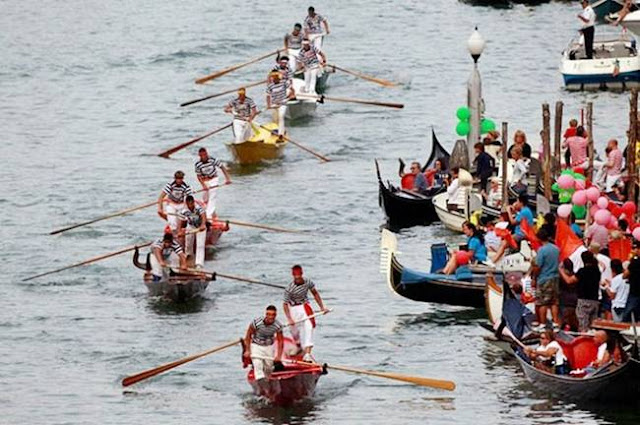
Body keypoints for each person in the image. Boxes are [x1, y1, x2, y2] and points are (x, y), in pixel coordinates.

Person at [282, 265, 327, 362]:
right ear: (293, 276)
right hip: (293, 309)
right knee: (294, 330)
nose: (297, 278)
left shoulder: (308, 282)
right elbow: (285, 304)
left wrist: (322, 307)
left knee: (309, 327)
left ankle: (307, 354)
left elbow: (315, 293)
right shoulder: (289, 288)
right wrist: (289, 318)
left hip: (305, 307)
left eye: (299, 276)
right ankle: (298, 346)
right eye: (295, 277)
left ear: (302, 274)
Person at [243, 305, 284, 387]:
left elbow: (280, 341)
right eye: (269, 314)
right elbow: (248, 336)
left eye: (273, 315)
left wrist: (278, 356)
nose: (271, 317)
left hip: (268, 347)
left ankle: (268, 383)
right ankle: (262, 386)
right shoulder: (256, 323)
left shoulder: (278, 325)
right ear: (266, 314)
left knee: (268, 368)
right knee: (258, 365)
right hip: (256, 346)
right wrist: (247, 350)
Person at [560, 251, 601, 332]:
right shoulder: (597, 271)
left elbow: (569, 281)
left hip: (584, 300)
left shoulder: (582, 271)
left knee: (583, 325)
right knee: (592, 326)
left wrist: (561, 271)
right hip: (595, 300)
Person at [491, 194, 534, 263]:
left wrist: (509, 211)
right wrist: (514, 211)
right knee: (504, 243)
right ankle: (499, 259)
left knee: (504, 242)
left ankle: (494, 261)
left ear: (521, 202)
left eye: (517, 201)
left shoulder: (524, 211)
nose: (516, 203)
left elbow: (513, 222)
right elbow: (518, 217)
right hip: (521, 232)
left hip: (522, 233)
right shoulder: (525, 211)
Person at [532, 228, 561, 327]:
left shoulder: (541, 250)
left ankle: (542, 323)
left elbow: (537, 266)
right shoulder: (556, 249)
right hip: (555, 278)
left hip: (544, 278)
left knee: (542, 302)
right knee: (554, 302)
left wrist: (534, 278)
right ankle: (556, 322)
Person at [195, 147, 231, 220]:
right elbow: (198, 176)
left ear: (207, 154)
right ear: (199, 155)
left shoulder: (213, 160)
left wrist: (227, 179)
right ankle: (213, 214)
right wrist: (204, 185)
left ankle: (208, 216)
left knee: (212, 196)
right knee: (205, 199)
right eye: (201, 156)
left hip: (214, 179)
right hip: (205, 181)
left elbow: (222, 167)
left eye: (205, 155)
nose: (203, 157)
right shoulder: (198, 164)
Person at [178, 195, 207, 269]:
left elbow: (203, 216)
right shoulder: (184, 211)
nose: (190, 206)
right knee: (188, 244)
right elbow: (181, 222)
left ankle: (199, 264)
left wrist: (203, 225)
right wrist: (180, 231)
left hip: (200, 227)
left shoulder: (198, 208)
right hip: (190, 226)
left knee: (200, 245)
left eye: (191, 204)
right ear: (187, 204)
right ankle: (188, 258)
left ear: (193, 202)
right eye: (189, 204)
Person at [266, 71, 295, 138]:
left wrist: (291, 96)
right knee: (275, 119)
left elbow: (292, 89)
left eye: (276, 78)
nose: (275, 80)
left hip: (283, 103)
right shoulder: (270, 86)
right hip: (274, 104)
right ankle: (276, 130)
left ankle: (280, 133)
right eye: (274, 78)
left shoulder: (284, 83)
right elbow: (268, 96)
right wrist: (268, 105)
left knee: (281, 116)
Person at [559, 258, 579, 331]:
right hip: (574, 300)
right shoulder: (575, 275)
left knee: (563, 320)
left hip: (564, 301)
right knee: (573, 320)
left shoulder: (562, 276)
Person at [622, 240, 640, 321]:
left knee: (628, 313)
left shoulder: (635, 262)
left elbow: (625, 275)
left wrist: (629, 261)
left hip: (635, 291)